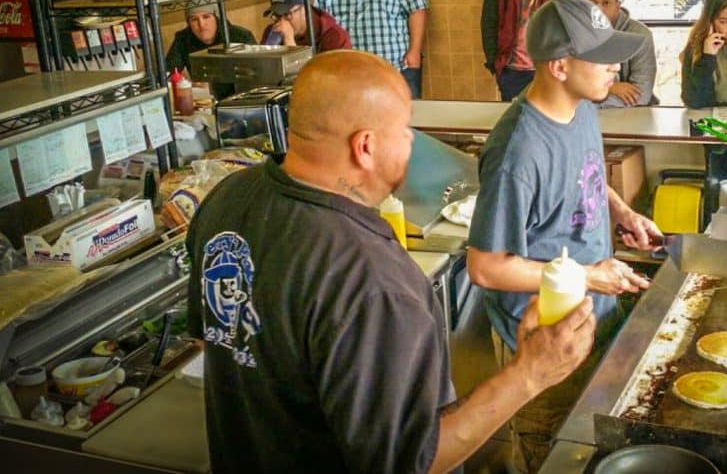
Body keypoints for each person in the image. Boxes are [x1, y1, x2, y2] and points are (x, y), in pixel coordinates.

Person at [186, 50, 596, 474]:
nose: (412, 141)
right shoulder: (371, 279)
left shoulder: (228, 199)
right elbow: (408, 462)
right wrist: (530, 373)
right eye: (404, 129)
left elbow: (211, 340)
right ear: (365, 146)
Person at [467, 0, 663, 472]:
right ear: (559, 66)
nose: (614, 66)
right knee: (553, 455)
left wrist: (621, 213)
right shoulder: (519, 151)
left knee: (598, 449)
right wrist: (591, 277)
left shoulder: (581, 107)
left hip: (597, 316)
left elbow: (588, 176)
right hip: (544, 341)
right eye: (600, 56)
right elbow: (486, 267)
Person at [583, 0, 657, 107]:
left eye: (606, 3)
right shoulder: (573, 33)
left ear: (617, 6)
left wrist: (589, 100)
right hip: (586, 115)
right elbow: (565, 87)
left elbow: (640, 95)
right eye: (592, 3)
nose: (598, 9)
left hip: (634, 115)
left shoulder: (640, 35)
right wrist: (611, 88)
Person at [165, 2, 256, 73]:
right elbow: (168, 72)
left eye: (206, 17)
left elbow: (256, 72)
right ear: (189, 24)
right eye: (194, 19)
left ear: (217, 18)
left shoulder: (240, 36)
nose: (201, 24)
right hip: (202, 96)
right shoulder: (183, 39)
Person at [259, 0, 350, 53]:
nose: (282, 22)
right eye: (277, 15)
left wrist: (290, 44)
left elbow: (326, 76)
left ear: (305, 9)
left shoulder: (335, 36)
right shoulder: (272, 31)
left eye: (287, 14)